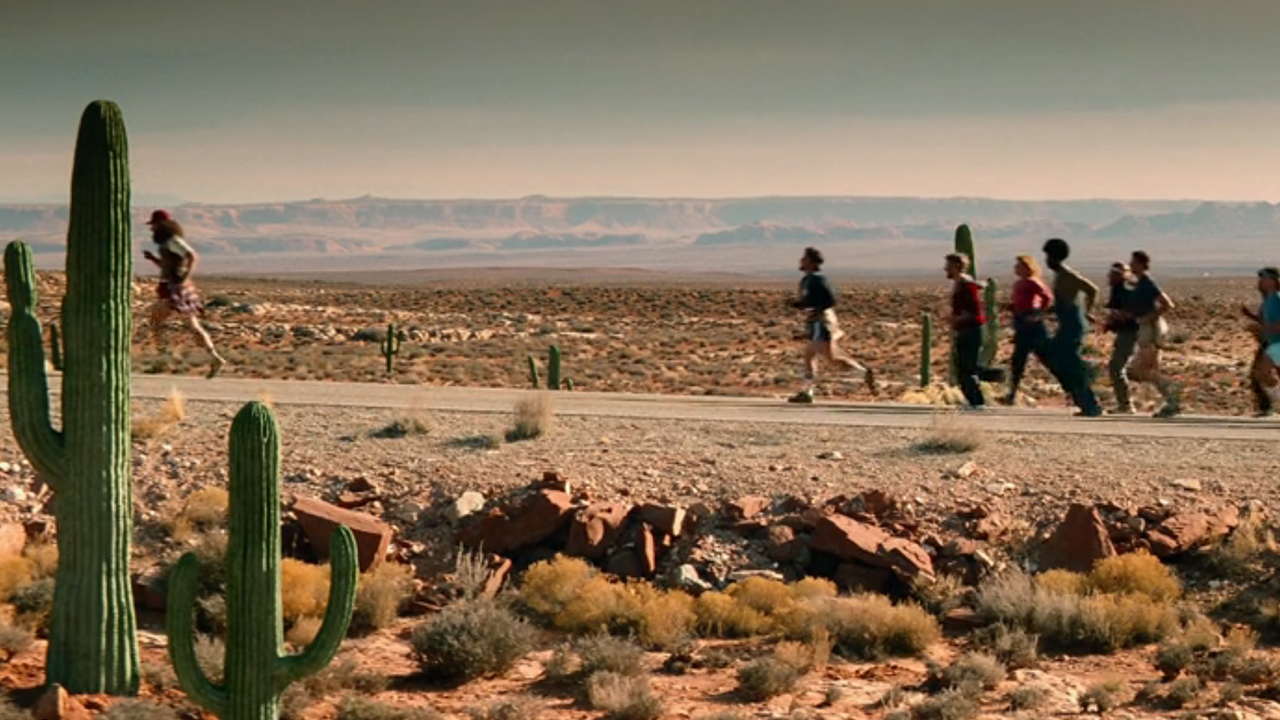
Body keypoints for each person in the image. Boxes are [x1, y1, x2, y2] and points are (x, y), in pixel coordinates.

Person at [142, 209, 226, 378]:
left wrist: (185, 275)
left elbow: (191, 255)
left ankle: (163, 358)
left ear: (161, 225)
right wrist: (153, 259)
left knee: (155, 321)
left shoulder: (173, 241)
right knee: (191, 325)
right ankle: (215, 357)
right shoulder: (167, 244)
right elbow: (169, 265)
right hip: (177, 286)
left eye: (154, 225)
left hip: (174, 288)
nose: (152, 229)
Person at [786, 247, 877, 403]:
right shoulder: (806, 281)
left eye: (805, 258)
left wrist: (816, 309)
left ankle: (809, 392)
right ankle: (861, 373)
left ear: (812, 262)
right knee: (823, 358)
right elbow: (808, 303)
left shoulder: (818, 280)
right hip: (814, 323)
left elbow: (830, 299)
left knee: (819, 357)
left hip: (823, 322)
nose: (801, 261)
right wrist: (797, 305)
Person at [1041, 238, 1102, 417]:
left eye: (1048, 257)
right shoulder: (1060, 276)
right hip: (1068, 324)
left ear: (1055, 257)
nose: (1046, 261)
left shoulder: (1068, 275)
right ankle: (1083, 399)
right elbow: (1064, 302)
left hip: (1073, 326)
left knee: (1069, 364)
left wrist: (1086, 312)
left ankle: (1090, 402)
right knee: (1057, 358)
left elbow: (1092, 289)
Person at [1125, 250, 1180, 417]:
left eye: (1133, 262)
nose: (1131, 265)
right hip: (1145, 331)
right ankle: (1171, 401)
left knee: (1140, 371)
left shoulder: (1148, 283)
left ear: (1141, 264)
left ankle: (1172, 395)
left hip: (1150, 331)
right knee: (1144, 371)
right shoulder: (1140, 283)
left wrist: (1147, 318)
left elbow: (1167, 304)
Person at [1001, 254, 1053, 405]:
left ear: (1026, 267)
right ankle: (1011, 394)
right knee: (1018, 359)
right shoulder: (1019, 283)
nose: (1015, 268)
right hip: (1021, 322)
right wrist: (1011, 307)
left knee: (1047, 358)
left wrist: (1038, 315)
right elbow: (1020, 302)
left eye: (1018, 266)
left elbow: (1048, 298)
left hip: (1032, 324)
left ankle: (1075, 389)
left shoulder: (1032, 282)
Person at [945, 253, 986, 410]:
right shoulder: (961, 283)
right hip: (964, 329)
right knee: (963, 366)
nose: (945, 269)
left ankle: (976, 401)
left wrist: (956, 319)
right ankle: (974, 400)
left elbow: (973, 311)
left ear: (956, 267)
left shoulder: (965, 284)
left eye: (948, 266)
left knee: (967, 367)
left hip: (970, 330)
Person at [1102, 262, 1139, 414]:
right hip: (1125, 332)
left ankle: (1126, 405)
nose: (1108, 276)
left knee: (1116, 367)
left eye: (1112, 273)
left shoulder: (1126, 290)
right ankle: (1123, 404)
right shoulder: (1117, 290)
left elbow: (1134, 312)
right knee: (1116, 367)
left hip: (1130, 333)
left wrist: (1122, 316)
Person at [1242, 270, 1278, 416]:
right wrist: (1251, 317)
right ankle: (1267, 406)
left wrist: (1264, 328)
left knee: (1260, 374)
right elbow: (1265, 321)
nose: (1259, 282)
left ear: (1272, 281)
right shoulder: (1268, 301)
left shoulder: (1276, 299)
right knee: (1258, 374)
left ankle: (1268, 406)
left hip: (1276, 343)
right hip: (1268, 342)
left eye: (1263, 279)